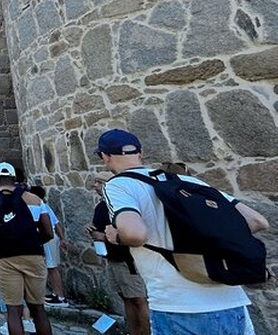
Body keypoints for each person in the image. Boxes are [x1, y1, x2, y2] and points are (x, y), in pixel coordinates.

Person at [98, 129, 269, 335]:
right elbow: (257, 221)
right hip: (232, 303)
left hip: (179, 306)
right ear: (140, 153)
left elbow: (135, 234)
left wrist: (116, 236)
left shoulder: (119, 185)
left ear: (105, 157)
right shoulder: (187, 181)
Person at [0, 162, 53, 335]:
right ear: (14, 178)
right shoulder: (34, 199)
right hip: (33, 255)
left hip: (4, 255)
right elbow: (48, 232)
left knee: (13, 310)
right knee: (38, 308)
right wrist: (34, 243)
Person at [86, 172, 150, 335]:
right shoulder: (102, 206)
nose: (96, 186)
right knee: (126, 297)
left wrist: (104, 237)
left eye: (99, 182)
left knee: (138, 298)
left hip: (127, 258)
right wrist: (92, 229)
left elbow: (131, 232)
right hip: (113, 257)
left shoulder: (121, 204)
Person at [29, 185, 69, 307]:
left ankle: (60, 297)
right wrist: (61, 238)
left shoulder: (41, 206)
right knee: (49, 267)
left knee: (52, 267)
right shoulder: (44, 206)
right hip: (49, 237)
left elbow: (55, 224)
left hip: (48, 238)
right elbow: (57, 223)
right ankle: (55, 294)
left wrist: (62, 239)